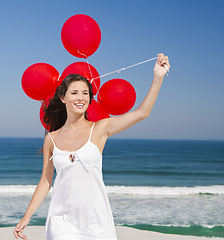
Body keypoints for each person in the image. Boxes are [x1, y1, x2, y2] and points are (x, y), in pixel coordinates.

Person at [13, 53, 170, 239]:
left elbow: (142, 113)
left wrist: (158, 77)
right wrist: (26, 217)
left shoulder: (100, 128)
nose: (81, 98)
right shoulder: (51, 139)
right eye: (74, 93)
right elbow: (46, 182)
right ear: (63, 98)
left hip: (96, 220)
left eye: (85, 93)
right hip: (61, 220)